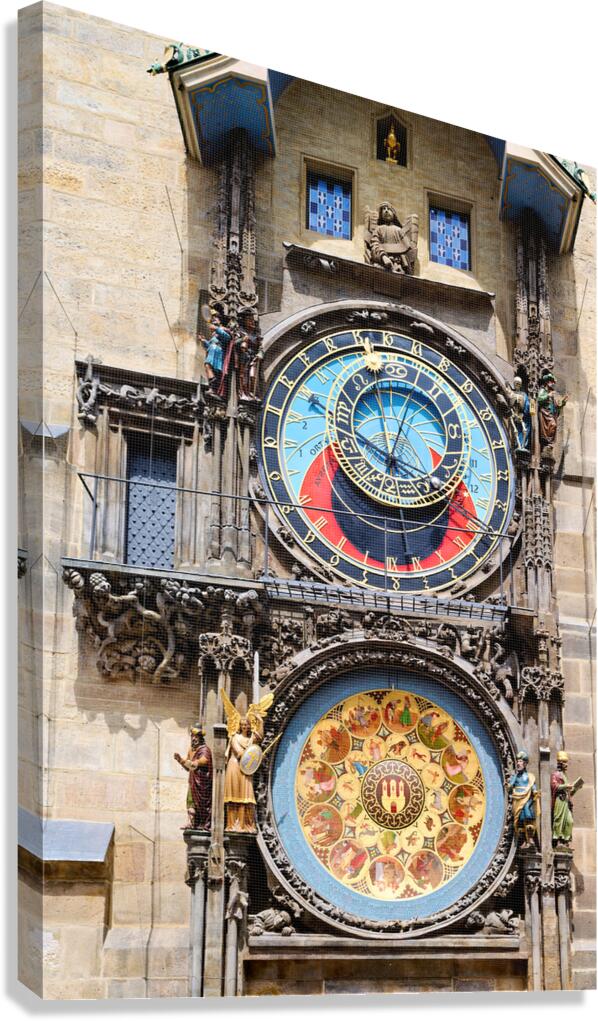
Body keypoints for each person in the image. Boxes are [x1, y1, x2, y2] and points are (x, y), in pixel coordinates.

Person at [174, 724, 213, 830]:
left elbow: (197, 764)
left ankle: (203, 824)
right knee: (191, 801)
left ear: (201, 737)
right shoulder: (191, 750)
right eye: (192, 736)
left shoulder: (205, 750)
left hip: (202, 783)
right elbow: (188, 767)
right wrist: (180, 761)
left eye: (196, 736)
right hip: (193, 781)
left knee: (202, 804)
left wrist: (183, 761)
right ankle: (191, 822)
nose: (194, 738)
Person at [368, 201, 417, 274]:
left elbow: (408, 248)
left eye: (388, 209)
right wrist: (383, 257)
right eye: (384, 209)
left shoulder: (399, 230)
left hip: (398, 265)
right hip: (382, 261)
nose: (386, 210)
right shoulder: (378, 229)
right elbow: (375, 245)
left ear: (393, 213)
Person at [507, 750, 540, 849]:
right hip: (517, 799)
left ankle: (530, 839)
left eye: (520, 761)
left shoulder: (529, 776)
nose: (518, 763)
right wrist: (507, 786)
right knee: (519, 820)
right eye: (517, 761)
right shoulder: (515, 776)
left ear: (525, 764)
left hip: (526, 799)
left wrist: (535, 792)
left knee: (528, 816)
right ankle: (522, 841)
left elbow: (532, 785)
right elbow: (510, 786)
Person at [551, 750, 578, 846]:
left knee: (569, 821)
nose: (566, 765)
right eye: (565, 763)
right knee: (558, 819)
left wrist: (574, 788)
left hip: (566, 801)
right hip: (560, 800)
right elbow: (554, 786)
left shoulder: (565, 775)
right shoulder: (556, 774)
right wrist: (566, 786)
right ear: (560, 763)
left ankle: (565, 839)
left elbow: (568, 789)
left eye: (566, 762)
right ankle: (558, 839)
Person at [537, 371, 568, 448]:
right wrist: (548, 395)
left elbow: (556, 406)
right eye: (551, 381)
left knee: (553, 425)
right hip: (544, 413)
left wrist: (563, 402)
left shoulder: (552, 392)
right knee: (553, 424)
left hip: (550, 413)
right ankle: (546, 440)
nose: (552, 383)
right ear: (547, 382)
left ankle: (548, 441)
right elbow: (539, 399)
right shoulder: (543, 390)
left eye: (553, 382)